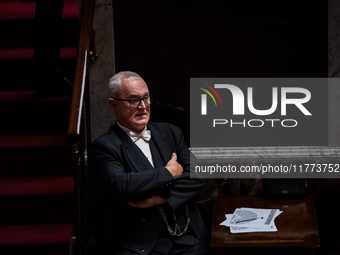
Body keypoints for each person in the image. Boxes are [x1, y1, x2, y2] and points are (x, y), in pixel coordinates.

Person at [91, 71, 208, 255]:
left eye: (146, 97)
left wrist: (161, 199)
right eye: (133, 100)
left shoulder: (170, 132)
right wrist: (169, 173)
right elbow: (123, 185)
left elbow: (199, 173)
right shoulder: (103, 146)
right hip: (137, 245)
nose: (143, 106)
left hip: (187, 238)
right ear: (114, 104)